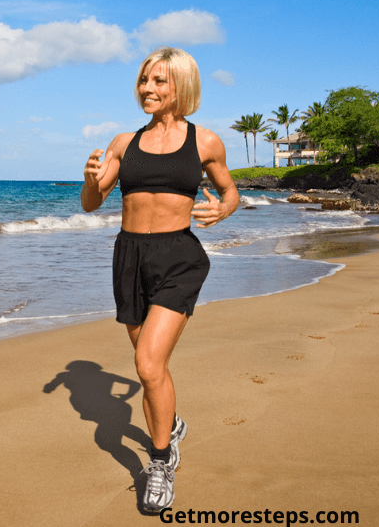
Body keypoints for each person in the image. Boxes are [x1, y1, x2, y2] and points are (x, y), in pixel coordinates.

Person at [80, 46, 238, 512]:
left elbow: (230, 192)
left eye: (160, 81)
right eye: (145, 80)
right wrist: (90, 178)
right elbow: (92, 202)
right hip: (129, 256)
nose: (148, 89)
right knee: (152, 369)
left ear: (181, 86)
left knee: (148, 366)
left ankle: (161, 460)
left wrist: (221, 210)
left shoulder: (205, 142)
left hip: (179, 259)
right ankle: (169, 423)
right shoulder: (123, 143)